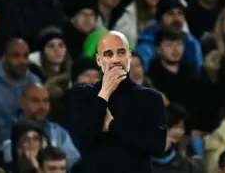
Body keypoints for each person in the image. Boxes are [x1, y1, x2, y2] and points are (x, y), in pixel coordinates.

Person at [69, 31, 167, 173]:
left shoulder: (151, 98)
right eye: (108, 54)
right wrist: (104, 94)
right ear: (98, 60)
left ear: (130, 56)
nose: (115, 59)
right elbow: (84, 135)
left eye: (121, 53)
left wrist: (113, 126)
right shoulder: (82, 94)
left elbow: (157, 146)